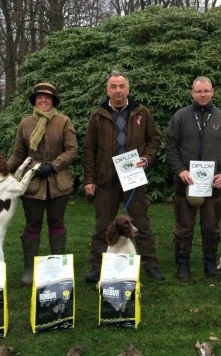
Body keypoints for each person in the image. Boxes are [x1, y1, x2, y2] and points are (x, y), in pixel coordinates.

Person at [83, 71, 164, 283]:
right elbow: (89, 149)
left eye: (121, 86)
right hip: (106, 179)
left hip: (133, 178)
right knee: (103, 225)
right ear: (107, 89)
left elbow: (154, 139)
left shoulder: (141, 113)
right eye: (113, 87)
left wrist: (146, 159)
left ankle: (150, 264)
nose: (118, 91)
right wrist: (89, 179)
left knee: (141, 223)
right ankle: (97, 266)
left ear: (128, 89)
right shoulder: (98, 115)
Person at [165, 76, 221, 282]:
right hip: (185, 183)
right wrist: (180, 170)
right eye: (199, 91)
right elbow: (170, 146)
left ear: (213, 92)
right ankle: (182, 264)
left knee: (211, 226)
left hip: (212, 184)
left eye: (206, 91)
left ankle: (209, 263)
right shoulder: (180, 117)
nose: (203, 94)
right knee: (184, 227)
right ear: (192, 93)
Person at [7, 82, 77, 285]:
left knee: (56, 222)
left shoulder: (63, 121)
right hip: (32, 182)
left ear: (53, 100)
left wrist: (54, 166)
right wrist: (4, 170)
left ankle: (57, 265)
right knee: (32, 223)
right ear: (35, 101)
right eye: (40, 97)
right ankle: (29, 269)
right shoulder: (25, 123)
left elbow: (72, 150)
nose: (44, 100)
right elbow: (19, 153)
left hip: (59, 182)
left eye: (47, 98)